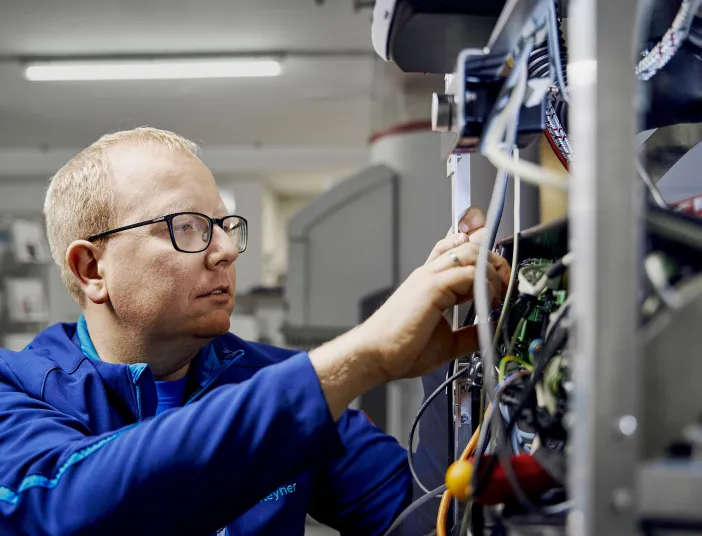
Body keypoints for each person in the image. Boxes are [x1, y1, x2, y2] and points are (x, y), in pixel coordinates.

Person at [0, 127, 509, 536]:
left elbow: (419, 519)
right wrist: (365, 352)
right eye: (186, 226)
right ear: (92, 269)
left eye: (223, 225)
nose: (223, 250)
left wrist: (452, 356)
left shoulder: (268, 377)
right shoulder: (17, 392)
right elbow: (67, 507)